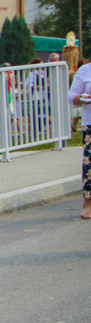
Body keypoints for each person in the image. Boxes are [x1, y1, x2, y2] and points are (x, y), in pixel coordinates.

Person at [67, 60, 91, 219]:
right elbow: (71, 96)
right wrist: (83, 98)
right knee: (90, 164)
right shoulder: (85, 70)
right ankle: (88, 202)